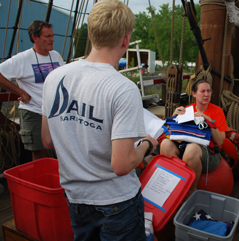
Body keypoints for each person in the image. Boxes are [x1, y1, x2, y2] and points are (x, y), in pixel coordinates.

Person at [41, 0, 158, 240]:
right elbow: (122, 164)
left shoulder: (54, 78)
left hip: (76, 199)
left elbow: (47, 140)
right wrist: (147, 143)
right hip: (117, 203)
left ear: (92, 33)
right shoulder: (123, 89)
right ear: (125, 40)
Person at [0, 20, 64, 161]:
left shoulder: (56, 56)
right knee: (39, 154)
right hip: (34, 112)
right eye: (47, 36)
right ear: (35, 37)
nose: (52, 39)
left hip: (56, 112)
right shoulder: (22, 59)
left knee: (62, 149)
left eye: (52, 36)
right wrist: (20, 92)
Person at [160, 79, 228, 195]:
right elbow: (172, 133)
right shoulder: (187, 110)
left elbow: (220, 140)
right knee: (165, 144)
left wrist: (209, 121)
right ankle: (171, 185)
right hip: (184, 147)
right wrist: (174, 117)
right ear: (194, 94)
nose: (206, 94)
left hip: (210, 152)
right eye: (202, 91)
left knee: (192, 148)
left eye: (208, 91)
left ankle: (190, 191)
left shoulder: (217, 111)